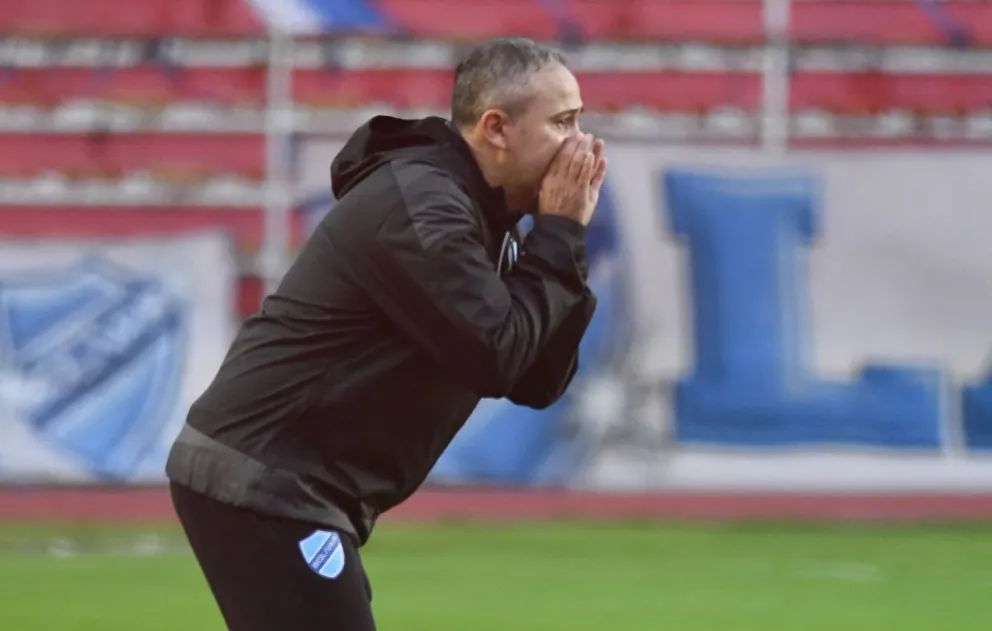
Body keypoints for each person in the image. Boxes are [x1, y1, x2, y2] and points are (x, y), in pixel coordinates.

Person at [165, 36, 607, 631]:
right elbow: (497, 354)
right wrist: (556, 235)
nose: (580, 143)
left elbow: (537, 377)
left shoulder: (487, 218)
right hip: (266, 477)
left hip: (289, 482)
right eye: (563, 122)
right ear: (497, 128)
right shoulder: (426, 204)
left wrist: (564, 239)